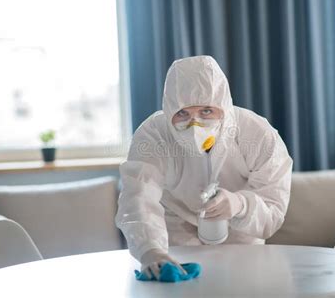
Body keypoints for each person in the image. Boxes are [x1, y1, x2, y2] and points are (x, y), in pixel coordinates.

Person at [115, 55, 293, 279]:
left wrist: (241, 205)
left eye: (206, 111)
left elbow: (273, 213)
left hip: (242, 242)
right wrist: (150, 250)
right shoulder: (153, 135)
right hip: (175, 240)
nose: (195, 124)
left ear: (223, 106)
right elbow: (138, 198)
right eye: (183, 113)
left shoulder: (257, 134)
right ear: (169, 110)